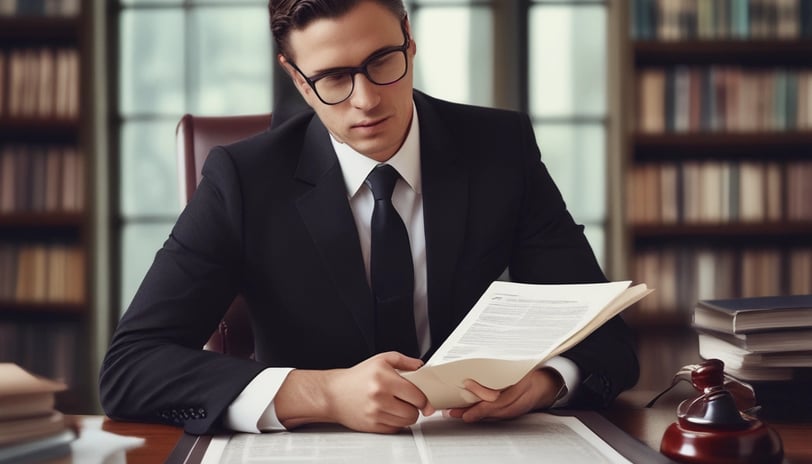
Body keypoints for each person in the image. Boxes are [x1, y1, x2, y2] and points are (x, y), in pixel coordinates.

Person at [99, 0, 639, 436]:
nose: (366, 100)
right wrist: (325, 393)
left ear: (409, 36)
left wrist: (546, 381)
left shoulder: (500, 149)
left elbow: (605, 338)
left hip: (474, 443)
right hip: (313, 446)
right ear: (295, 77)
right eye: (333, 78)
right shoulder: (243, 179)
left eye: (382, 61)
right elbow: (130, 369)